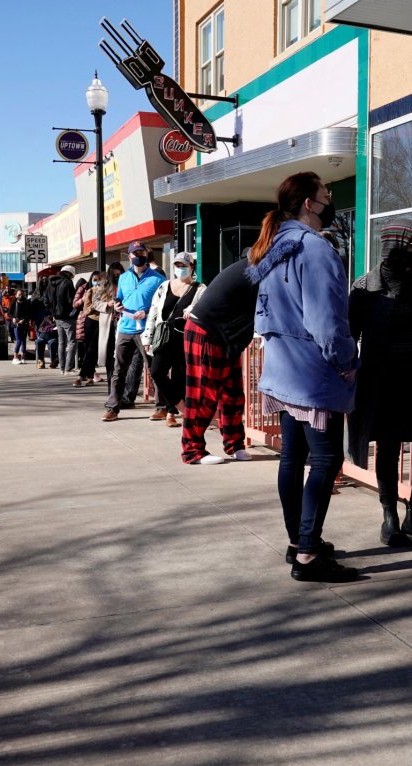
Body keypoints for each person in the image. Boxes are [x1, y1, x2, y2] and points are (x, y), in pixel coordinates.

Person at [248, 171, 358, 581]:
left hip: (282, 367)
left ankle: (299, 540)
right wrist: (347, 360)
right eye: (326, 195)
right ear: (310, 204)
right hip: (313, 371)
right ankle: (309, 551)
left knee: (293, 457)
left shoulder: (270, 248)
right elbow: (326, 323)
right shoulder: (315, 249)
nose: (330, 200)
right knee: (326, 459)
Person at [348, 219, 412, 549]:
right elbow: (349, 335)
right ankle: (390, 519)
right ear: (395, 244)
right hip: (385, 383)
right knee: (388, 448)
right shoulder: (364, 288)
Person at [182, 252, 257, 465]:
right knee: (203, 395)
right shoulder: (259, 269)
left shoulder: (259, 267)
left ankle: (234, 444)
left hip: (228, 337)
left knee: (233, 394)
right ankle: (192, 450)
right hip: (207, 330)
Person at [103, 242, 164, 422]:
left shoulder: (158, 278)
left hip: (147, 329)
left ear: (146, 254)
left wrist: (145, 312)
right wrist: (116, 304)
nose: (138, 255)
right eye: (134, 253)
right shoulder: (123, 278)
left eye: (141, 252)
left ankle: (161, 407)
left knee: (153, 369)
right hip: (126, 328)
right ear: (129, 256)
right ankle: (113, 407)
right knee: (118, 369)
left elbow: (161, 304)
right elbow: (119, 298)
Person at [143, 253, 204, 427]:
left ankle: (171, 412)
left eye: (185, 265)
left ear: (192, 267)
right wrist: (147, 336)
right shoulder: (164, 286)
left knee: (179, 376)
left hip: (185, 338)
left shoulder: (200, 288)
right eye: (177, 265)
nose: (180, 269)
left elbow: (204, 307)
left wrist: (192, 308)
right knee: (157, 371)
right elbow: (154, 312)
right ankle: (182, 407)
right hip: (164, 336)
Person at [47, 264, 77, 375]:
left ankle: (62, 368)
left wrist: (52, 312)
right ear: (70, 274)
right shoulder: (68, 283)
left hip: (57, 317)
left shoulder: (51, 283)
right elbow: (71, 301)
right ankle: (68, 369)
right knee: (72, 342)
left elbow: (47, 299)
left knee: (61, 342)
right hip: (68, 317)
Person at [74, 275, 99, 387]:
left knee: (92, 350)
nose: (97, 282)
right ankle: (88, 376)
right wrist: (85, 299)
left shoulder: (105, 290)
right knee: (89, 350)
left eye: (99, 280)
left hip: (101, 322)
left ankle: (86, 376)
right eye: (94, 280)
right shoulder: (85, 289)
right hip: (86, 321)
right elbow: (78, 305)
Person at [9, 288, 32, 365]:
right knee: (18, 340)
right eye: (19, 294)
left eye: (22, 294)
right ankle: (15, 357)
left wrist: (24, 320)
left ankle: (23, 357)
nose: (20, 296)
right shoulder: (13, 303)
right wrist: (13, 318)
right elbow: (9, 313)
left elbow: (29, 314)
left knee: (23, 341)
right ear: (16, 295)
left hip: (24, 324)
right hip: (16, 324)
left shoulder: (26, 303)